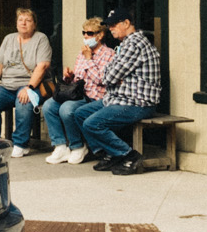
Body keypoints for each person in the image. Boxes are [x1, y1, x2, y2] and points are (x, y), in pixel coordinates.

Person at [75, 12, 161, 175]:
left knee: (92, 123)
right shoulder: (124, 44)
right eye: (109, 25)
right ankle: (108, 153)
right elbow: (110, 74)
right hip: (118, 98)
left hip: (137, 102)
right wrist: (114, 75)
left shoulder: (134, 43)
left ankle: (129, 155)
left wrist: (114, 75)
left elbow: (108, 76)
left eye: (114, 25)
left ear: (126, 23)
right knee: (80, 113)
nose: (110, 29)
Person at [0, 7, 53, 156]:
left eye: (28, 20)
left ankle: (21, 144)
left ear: (34, 24)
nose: (23, 23)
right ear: (16, 23)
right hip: (7, 86)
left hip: (31, 85)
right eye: (20, 20)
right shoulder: (9, 39)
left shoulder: (41, 39)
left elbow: (43, 66)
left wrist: (29, 87)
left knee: (24, 101)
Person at [41, 16, 113, 164]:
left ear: (100, 35)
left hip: (95, 97)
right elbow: (79, 79)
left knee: (67, 109)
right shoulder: (82, 53)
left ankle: (78, 146)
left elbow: (101, 80)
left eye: (90, 33)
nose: (86, 36)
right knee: (49, 106)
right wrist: (70, 77)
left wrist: (89, 60)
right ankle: (60, 146)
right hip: (78, 94)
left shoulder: (109, 54)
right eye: (84, 33)